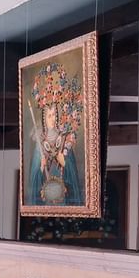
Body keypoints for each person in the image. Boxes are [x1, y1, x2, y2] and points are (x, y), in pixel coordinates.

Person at [26, 62, 84, 206]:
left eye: (54, 115)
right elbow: (34, 180)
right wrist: (41, 167)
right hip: (46, 197)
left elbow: (73, 175)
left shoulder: (64, 139)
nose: (52, 119)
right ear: (44, 118)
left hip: (64, 196)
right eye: (49, 115)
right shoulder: (40, 143)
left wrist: (64, 162)